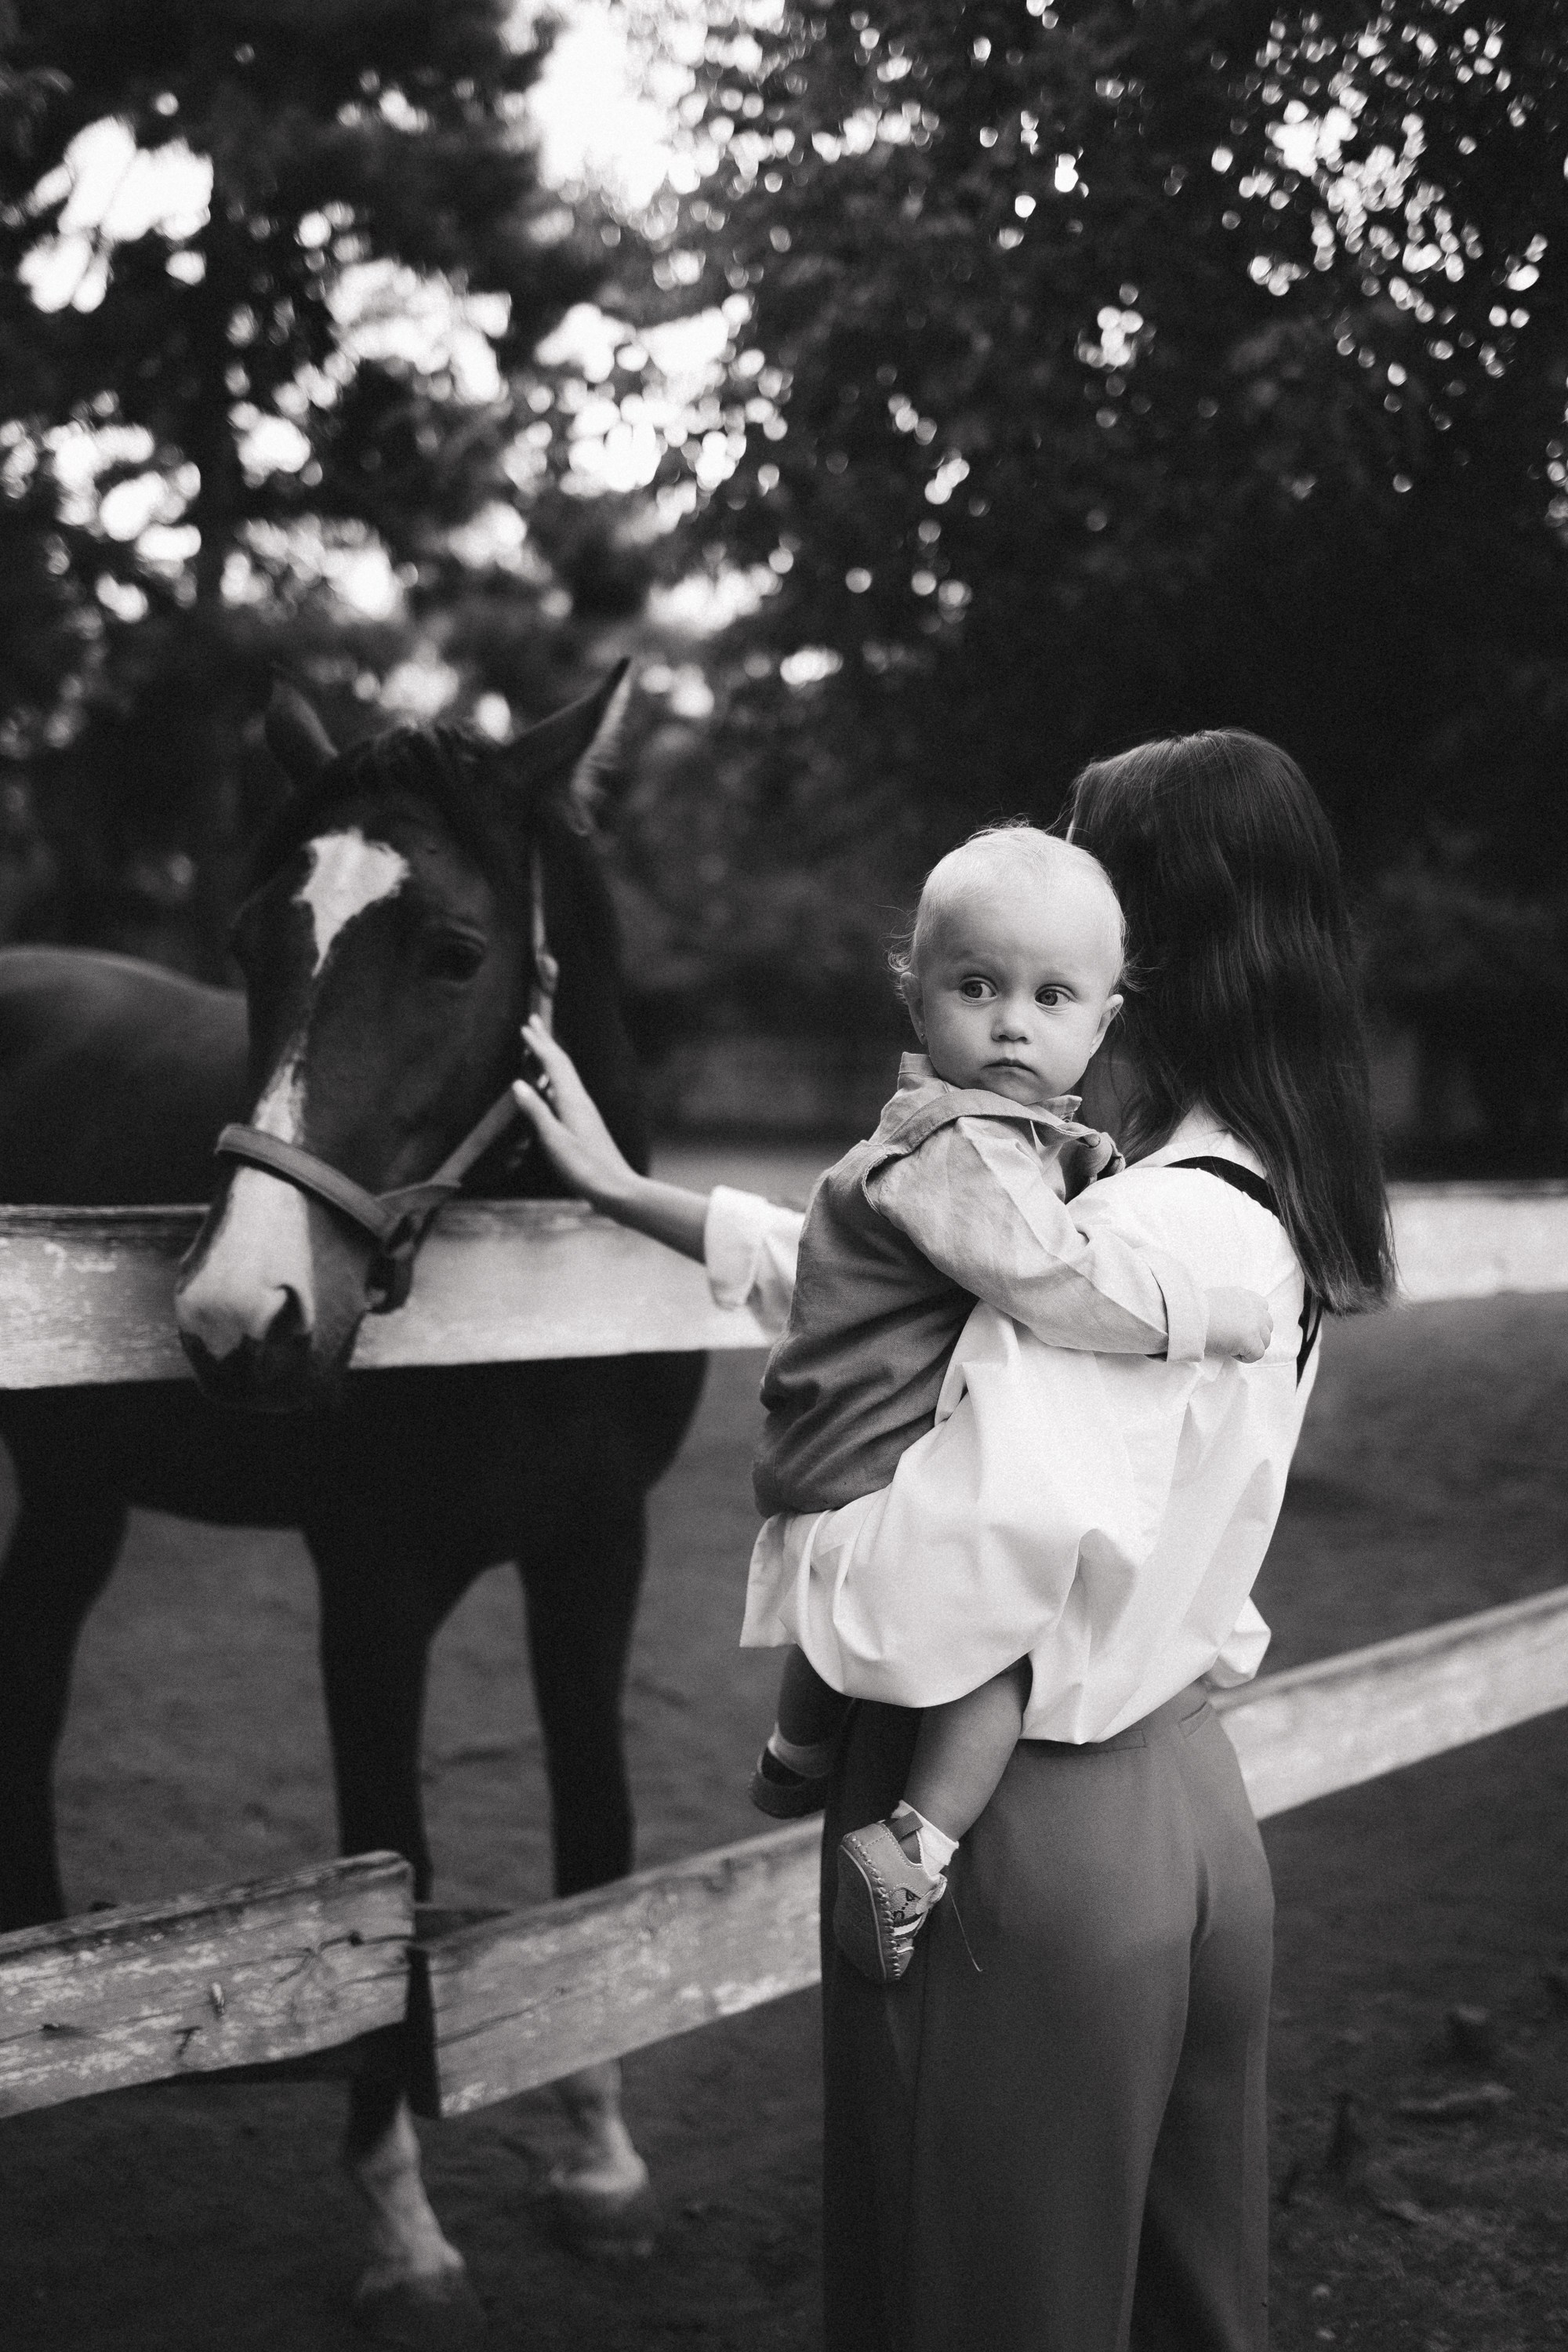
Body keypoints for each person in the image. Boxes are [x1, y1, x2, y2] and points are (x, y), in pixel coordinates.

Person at [512, 729, 1394, 2352]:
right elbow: (917, 1295)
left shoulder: (1120, 1233)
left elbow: (971, 1560)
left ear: (1150, 963)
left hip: (1009, 1835)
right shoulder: (1243, 1197)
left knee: (971, 2306)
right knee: (1180, 2308)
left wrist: (810, 1550)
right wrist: (646, 1198)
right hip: (1185, 1806)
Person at [739, 823, 1272, 1989]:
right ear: (916, 1000)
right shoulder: (959, 1145)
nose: (1011, 1022)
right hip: (869, 1460)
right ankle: (916, 1848)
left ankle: (797, 1749)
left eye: (1050, 994)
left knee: (850, 1606)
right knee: (1003, 1646)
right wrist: (1203, 1315)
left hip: (831, 1455)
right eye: (974, 987)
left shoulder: (990, 1141)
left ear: (1104, 1021)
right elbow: (1054, 1279)